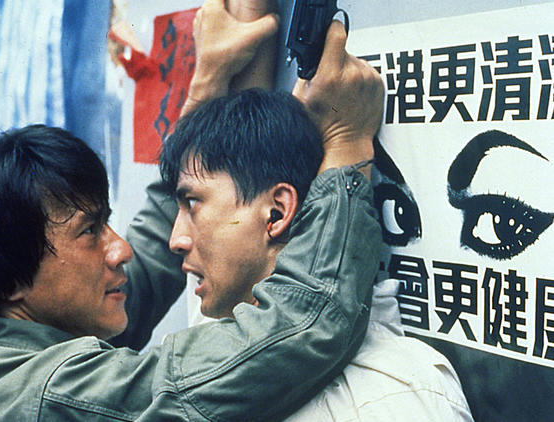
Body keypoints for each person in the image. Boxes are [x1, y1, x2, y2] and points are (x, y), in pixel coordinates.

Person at [0, 1, 383, 420]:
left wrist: (206, 85)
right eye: (90, 231)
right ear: (8, 279)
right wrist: (347, 144)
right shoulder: (36, 395)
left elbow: (150, 258)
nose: (122, 250)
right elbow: (299, 331)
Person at [163, 88, 474, 421]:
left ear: (276, 212)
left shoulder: (390, 398)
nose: (175, 240)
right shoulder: (216, 354)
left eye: (192, 203)